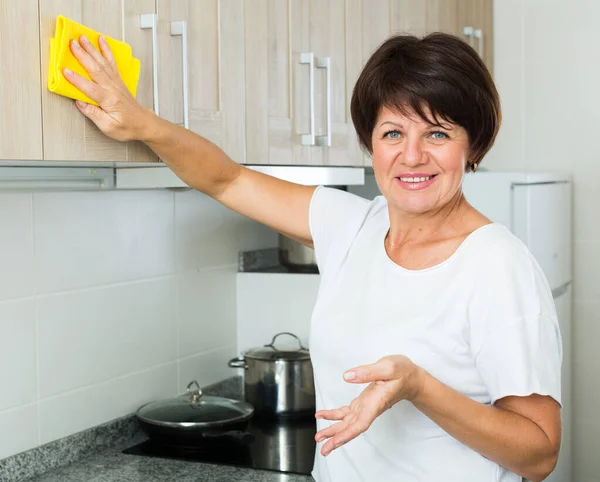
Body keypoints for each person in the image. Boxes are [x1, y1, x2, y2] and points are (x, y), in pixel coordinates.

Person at [64, 31, 562, 482]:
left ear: (472, 145)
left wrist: (419, 386)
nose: (412, 156)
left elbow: (539, 455)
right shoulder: (352, 226)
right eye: (393, 133)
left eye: (437, 133)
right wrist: (141, 122)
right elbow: (226, 178)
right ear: (371, 143)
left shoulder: (496, 265)